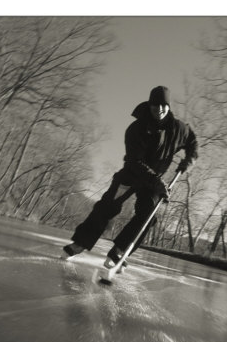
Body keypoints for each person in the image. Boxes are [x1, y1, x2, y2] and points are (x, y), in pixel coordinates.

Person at [62, 86, 198, 272]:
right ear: (149, 105)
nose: (159, 109)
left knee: (148, 215)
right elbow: (135, 161)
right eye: (155, 105)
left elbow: (192, 142)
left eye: (163, 105)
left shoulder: (179, 129)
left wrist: (188, 161)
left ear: (169, 106)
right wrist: (157, 183)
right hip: (132, 174)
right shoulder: (136, 129)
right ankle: (80, 243)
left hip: (154, 181)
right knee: (108, 206)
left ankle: (119, 251)